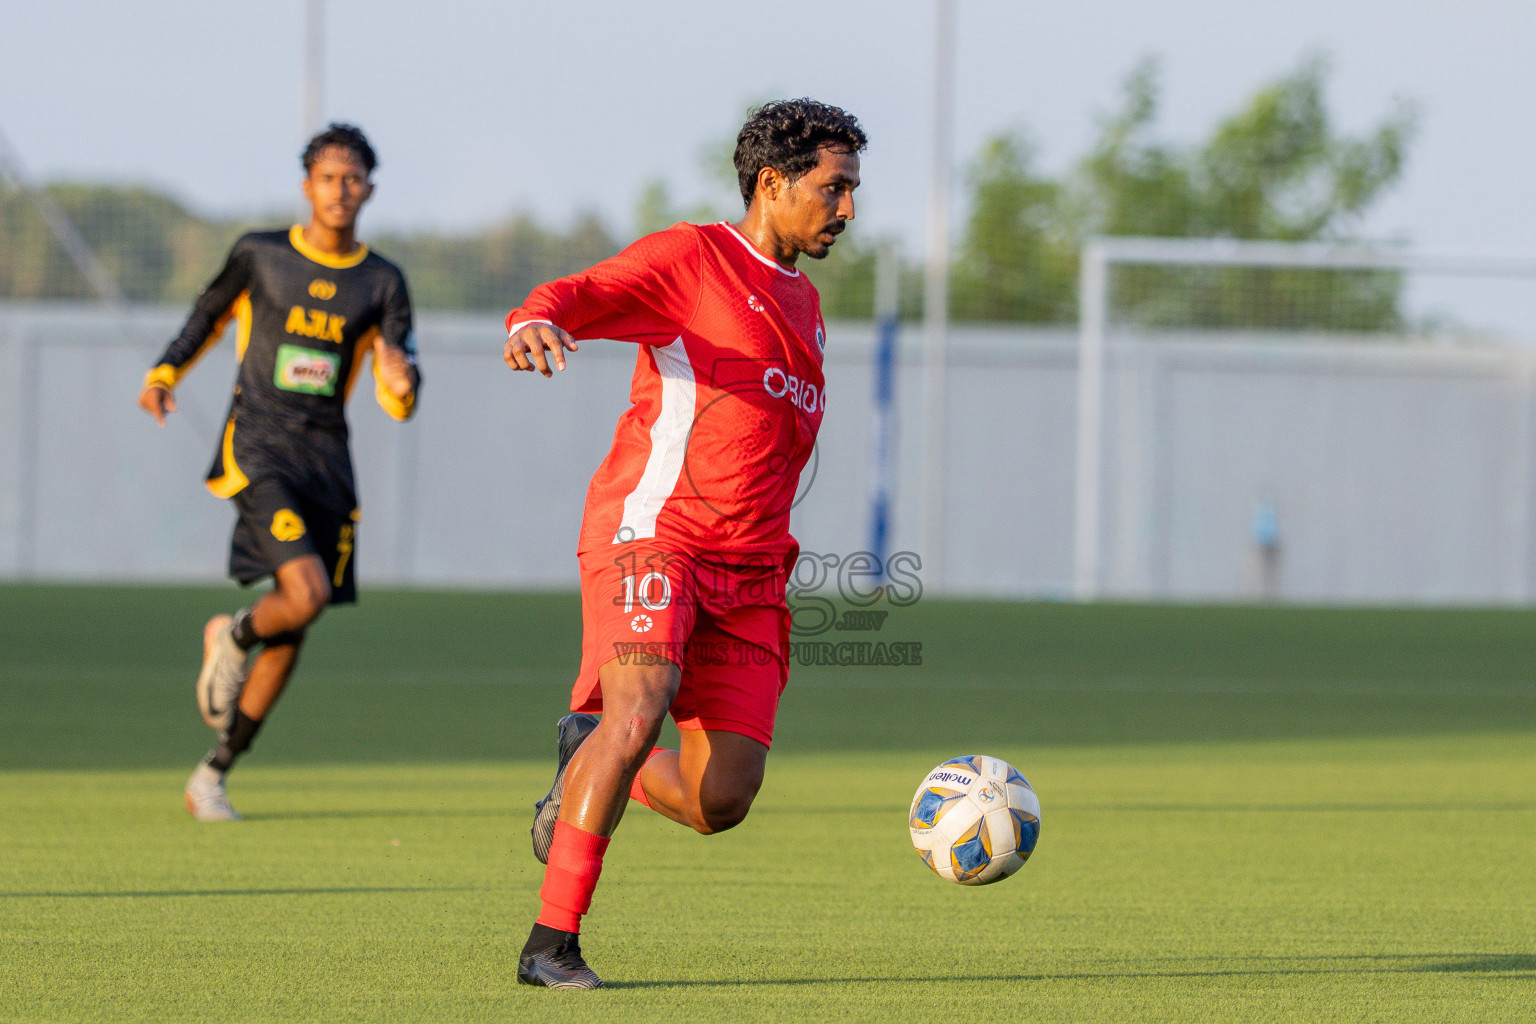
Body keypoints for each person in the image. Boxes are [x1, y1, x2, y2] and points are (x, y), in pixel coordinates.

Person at [501, 98, 865, 988]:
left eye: (853, 190)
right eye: (835, 188)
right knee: (639, 706)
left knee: (722, 800)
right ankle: (551, 944)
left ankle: (586, 753)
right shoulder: (691, 258)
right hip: (655, 536)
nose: (849, 209)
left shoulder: (807, 305)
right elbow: (577, 295)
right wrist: (531, 321)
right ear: (771, 183)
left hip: (752, 573)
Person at [137, 123, 421, 822]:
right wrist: (166, 370)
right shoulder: (261, 255)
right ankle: (232, 637)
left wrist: (401, 378)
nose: (340, 190)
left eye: (353, 179)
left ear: (370, 190)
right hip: (259, 448)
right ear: (307, 186)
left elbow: (399, 394)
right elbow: (208, 312)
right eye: (328, 177)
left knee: (294, 627)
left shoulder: (383, 281)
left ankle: (213, 773)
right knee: (307, 592)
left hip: (327, 463)